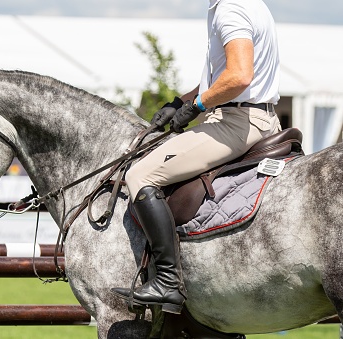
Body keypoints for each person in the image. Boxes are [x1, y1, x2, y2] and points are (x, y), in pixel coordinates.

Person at [111, 0, 282, 314]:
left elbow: (240, 77)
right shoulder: (251, 4)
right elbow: (226, 77)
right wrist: (182, 101)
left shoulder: (230, 9)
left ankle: (167, 281)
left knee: (140, 175)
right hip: (258, 117)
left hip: (237, 122)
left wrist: (200, 105)